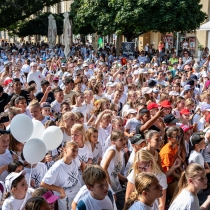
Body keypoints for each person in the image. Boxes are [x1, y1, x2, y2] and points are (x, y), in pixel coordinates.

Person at [41, 141, 85, 210]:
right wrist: (60, 190)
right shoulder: (57, 167)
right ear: (65, 150)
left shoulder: (75, 159)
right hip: (65, 195)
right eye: (73, 150)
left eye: (77, 151)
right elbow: (44, 183)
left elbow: (81, 165)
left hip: (76, 190)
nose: (75, 153)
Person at [101, 130, 127, 210]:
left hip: (115, 182)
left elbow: (114, 170)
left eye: (124, 139)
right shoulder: (112, 151)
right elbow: (104, 167)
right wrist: (108, 184)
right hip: (109, 184)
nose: (124, 141)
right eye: (120, 140)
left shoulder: (120, 151)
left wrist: (124, 178)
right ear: (113, 142)